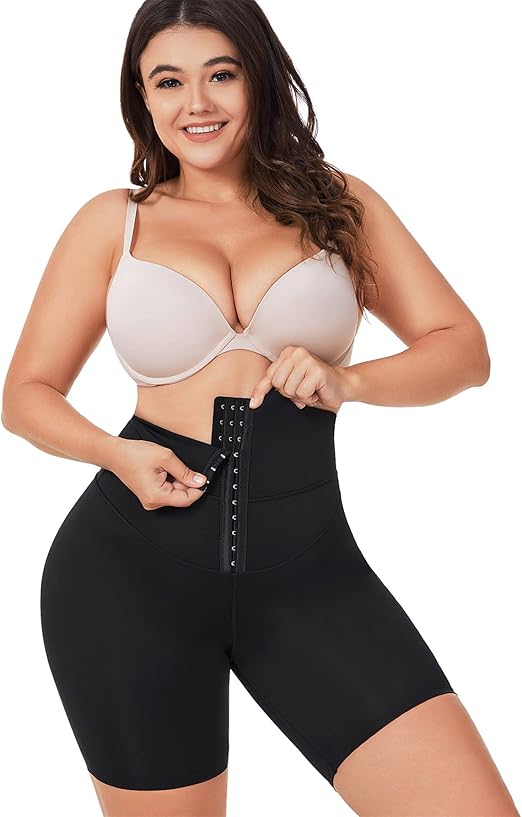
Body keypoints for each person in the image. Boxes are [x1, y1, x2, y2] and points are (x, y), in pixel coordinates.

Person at [1, 1, 519, 816]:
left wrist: (350, 381)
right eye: (167, 81)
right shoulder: (115, 222)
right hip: (127, 577)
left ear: (259, 78)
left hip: (310, 573)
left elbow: (464, 349)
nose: (196, 104)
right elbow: (25, 393)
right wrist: (115, 452)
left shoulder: (338, 204)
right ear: (141, 95)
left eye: (222, 74)